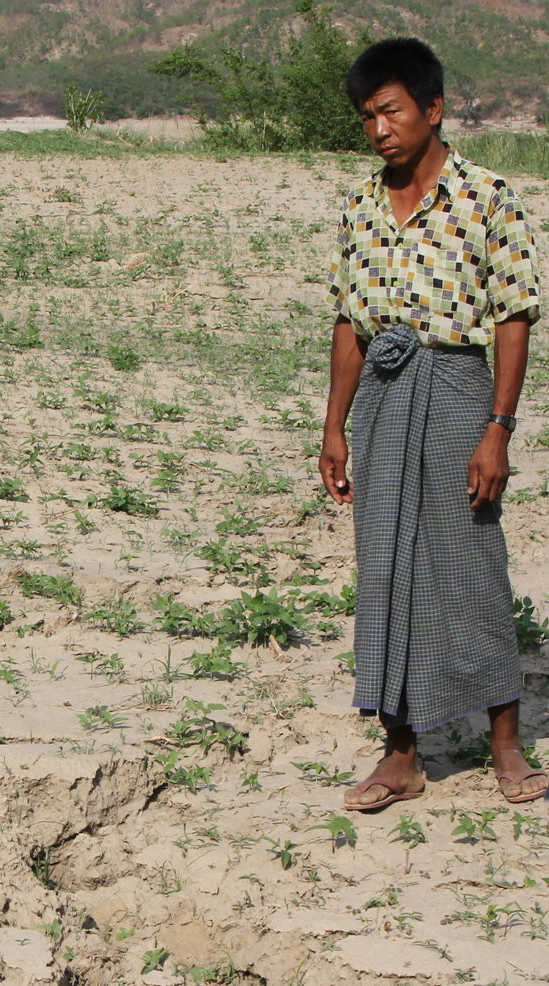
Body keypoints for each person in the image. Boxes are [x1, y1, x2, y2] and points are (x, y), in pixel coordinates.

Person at [319, 37, 547, 809]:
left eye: (390, 110)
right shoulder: (358, 207)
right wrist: (334, 427)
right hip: (383, 395)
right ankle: (400, 754)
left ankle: (505, 744)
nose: (379, 128)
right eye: (366, 116)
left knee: (469, 560)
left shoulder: (485, 196)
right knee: (383, 564)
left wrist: (497, 429)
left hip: (455, 388)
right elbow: (349, 326)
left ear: (432, 109)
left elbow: (514, 317)